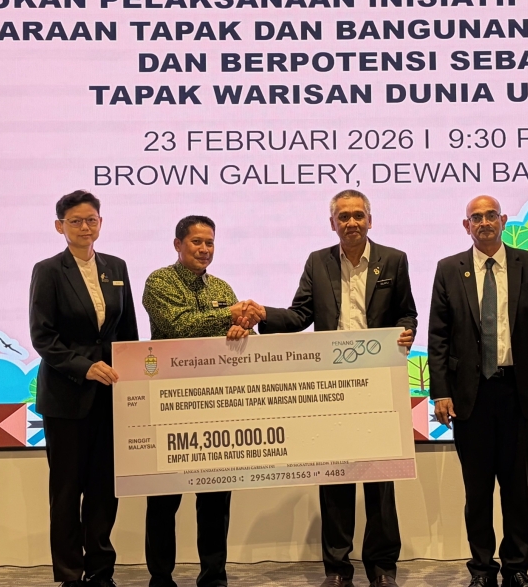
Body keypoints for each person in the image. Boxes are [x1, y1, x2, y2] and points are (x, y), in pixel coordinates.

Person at [246, 190, 417, 587]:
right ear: (333, 224)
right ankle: (338, 569)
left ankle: (382, 567)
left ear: (370, 220)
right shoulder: (317, 262)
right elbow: (301, 314)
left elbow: (406, 309)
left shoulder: (394, 260)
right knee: (335, 476)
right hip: (332, 384)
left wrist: (407, 331)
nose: (352, 222)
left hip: (378, 382)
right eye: (344, 217)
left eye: (358, 215)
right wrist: (263, 316)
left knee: (380, 480)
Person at [427, 195, 528, 587]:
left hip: (517, 393)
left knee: (516, 489)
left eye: (490, 216)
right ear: (465, 226)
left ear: (503, 221)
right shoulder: (449, 269)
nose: (483, 222)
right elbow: (439, 337)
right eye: (475, 218)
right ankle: (482, 569)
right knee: (478, 490)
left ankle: (517, 568)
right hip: (471, 396)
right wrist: (440, 392)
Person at [29, 190, 139, 587]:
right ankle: (70, 573)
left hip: (110, 398)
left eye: (91, 219)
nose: (84, 227)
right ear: (60, 226)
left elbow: (127, 333)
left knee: (104, 489)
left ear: (101, 223)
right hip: (66, 397)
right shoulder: (48, 270)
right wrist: (86, 367)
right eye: (75, 221)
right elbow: (43, 337)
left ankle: (101, 570)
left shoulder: (117, 266)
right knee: (66, 490)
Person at [141, 215, 256, 587]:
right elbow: (178, 325)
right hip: (169, 402)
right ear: (178, 245)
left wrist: (241, 327)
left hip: (216, 402)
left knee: (215, 498)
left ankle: (214, 575)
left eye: (209, 243)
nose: (204, 249)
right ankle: (161, 577)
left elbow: (236, 330)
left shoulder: (221, 285)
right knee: (163, 499)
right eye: (196, 242)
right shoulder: (159, 281)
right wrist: (229, 314)